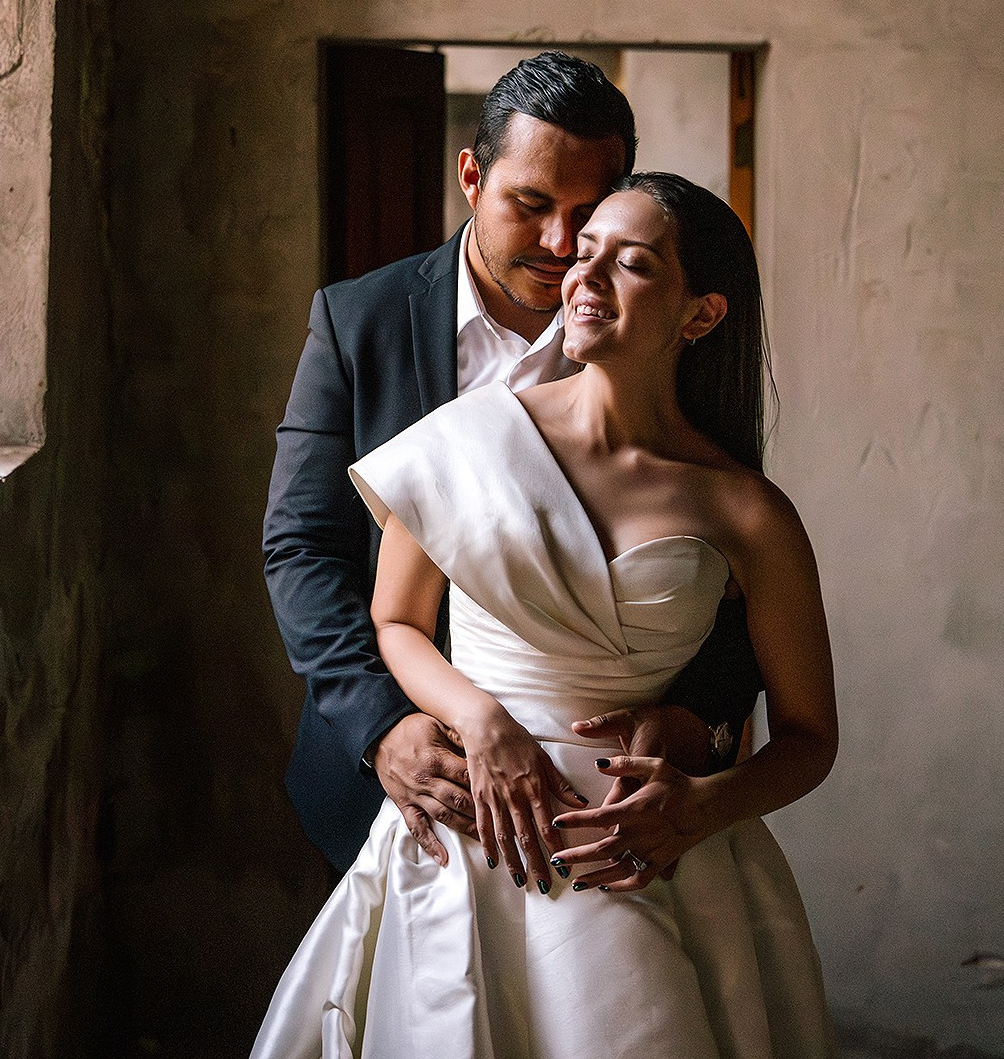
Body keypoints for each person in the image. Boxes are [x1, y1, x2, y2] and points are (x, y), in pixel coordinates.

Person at [252, 172, 838, 1056]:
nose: (583, 274)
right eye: (585, 251)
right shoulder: (465, 436)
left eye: (631, 263)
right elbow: (396, 621)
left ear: (702, 314)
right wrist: (477, 716)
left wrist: (700, 807)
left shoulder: (748, 510)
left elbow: (809, 735)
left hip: (644, 855)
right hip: (470, 838)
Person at [264, 52, 763, 874]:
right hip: (399, 784)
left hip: (611, 817)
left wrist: (692, 722)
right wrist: (385, 727)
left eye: (587, 213)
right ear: (472, 177)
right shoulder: (360, 321)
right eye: (530, 205)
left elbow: (727, 567)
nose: (562, 244)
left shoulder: (657, 341)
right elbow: (302, 547)